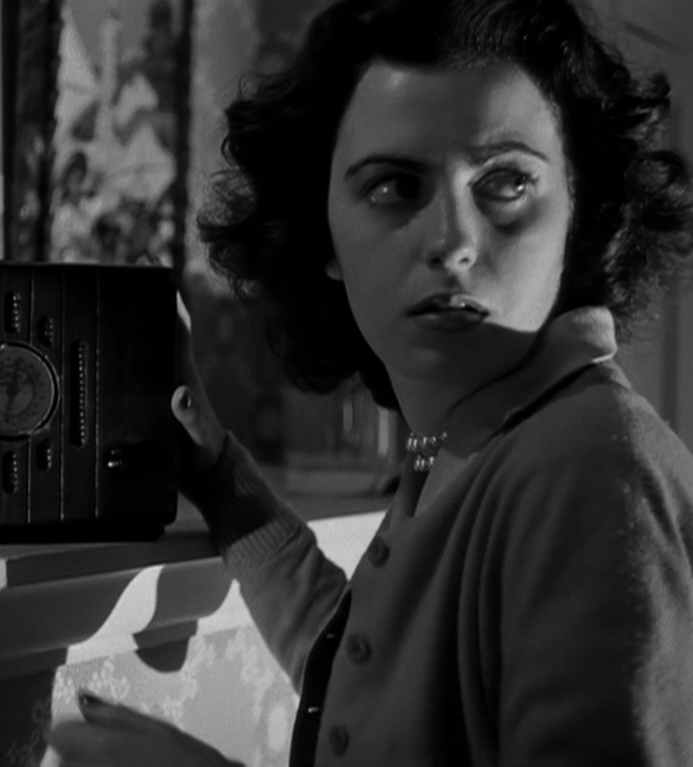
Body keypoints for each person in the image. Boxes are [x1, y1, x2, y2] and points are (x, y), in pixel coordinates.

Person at [48, 0, 693, 764]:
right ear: (322, 236)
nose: (453, 241)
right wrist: (220, 479)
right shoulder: (468, 441)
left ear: (582, 217)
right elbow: (364, 667)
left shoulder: (588, 462)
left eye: (506, 183)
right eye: (395, 187)